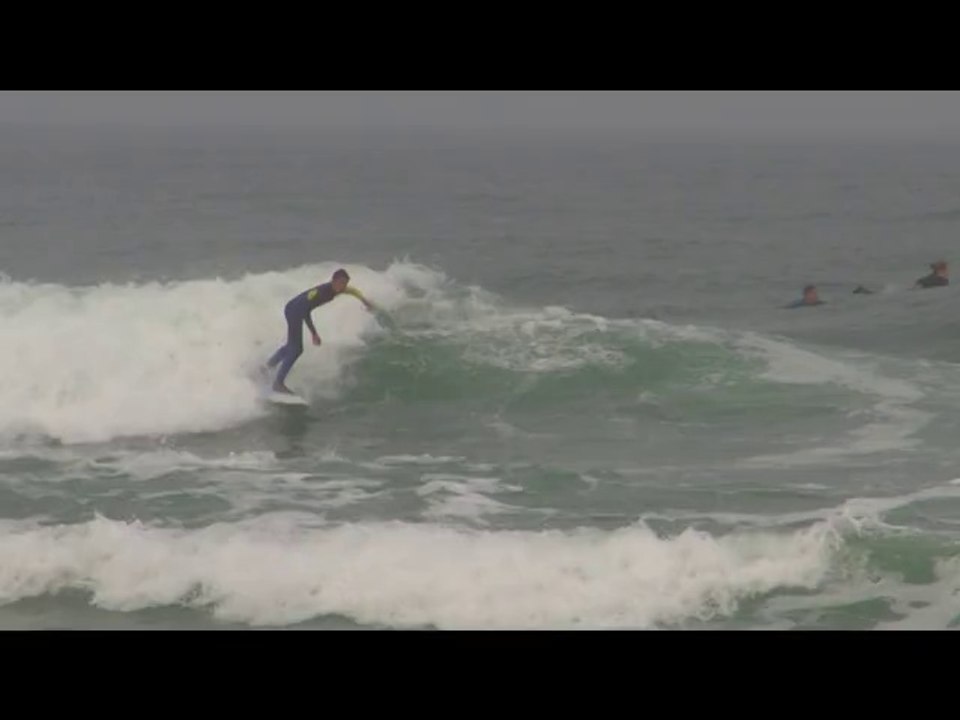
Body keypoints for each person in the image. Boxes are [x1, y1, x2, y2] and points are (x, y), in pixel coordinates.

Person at [265, 268, 374, 393]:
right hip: (294, 310)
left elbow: (353, 291)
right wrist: (314, 333)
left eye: (345, 283)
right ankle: (278, 383)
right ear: (333, 281)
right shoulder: (320, 292)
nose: (343, 287)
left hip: (294, 309)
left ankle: (267, 367)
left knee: (291, 346)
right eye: (340, 283)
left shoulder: (339, 288)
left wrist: (364, 301)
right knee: (296, 349)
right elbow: (305, 311)